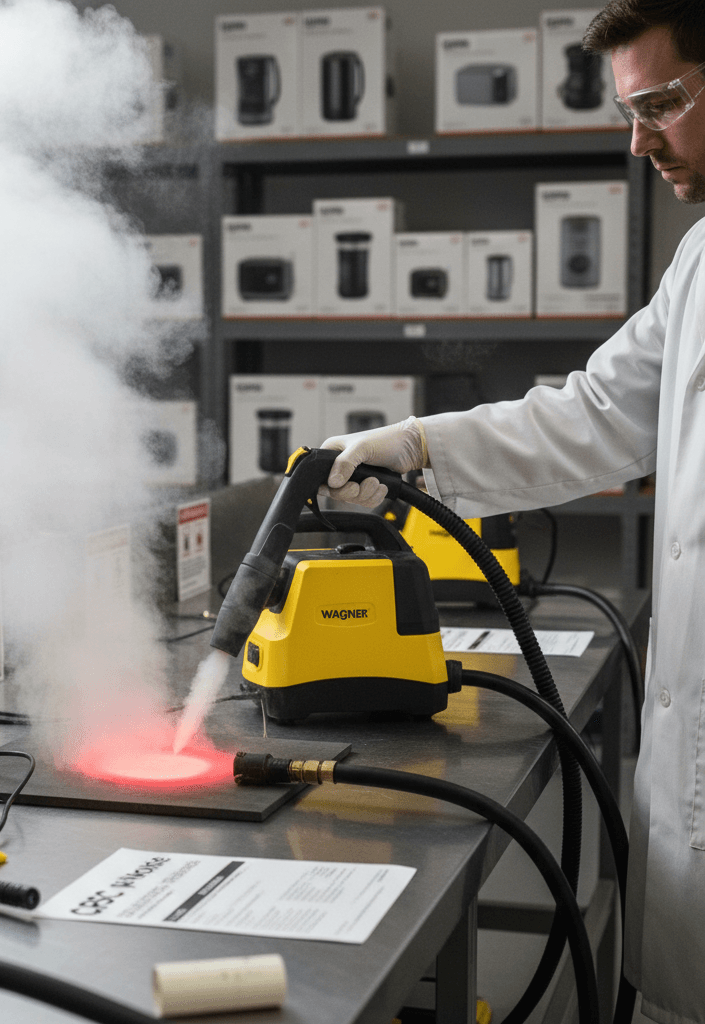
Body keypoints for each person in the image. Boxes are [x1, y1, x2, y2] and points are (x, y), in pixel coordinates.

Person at [319, 3, 705, 1022]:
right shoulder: (700, 265)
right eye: (629, 111)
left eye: (662, 103)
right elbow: (589, 415)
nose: (638, 142)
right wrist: (421, 449)